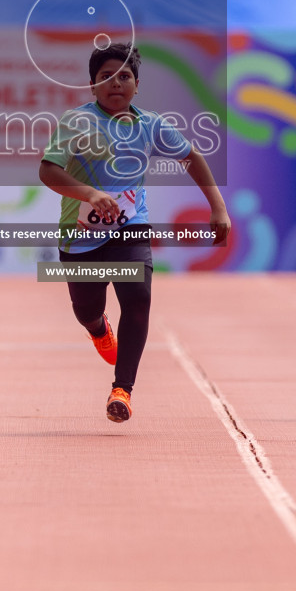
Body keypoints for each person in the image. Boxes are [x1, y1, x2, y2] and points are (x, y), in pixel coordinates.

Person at [39, 42, 230, 423]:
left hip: (130, 227)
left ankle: (122, 389)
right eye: (106, 77)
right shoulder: (77, 123)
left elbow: (192, 157)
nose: (116, 83)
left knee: (138, 296)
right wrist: (91, 194)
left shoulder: (151, 124)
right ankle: (98, 328)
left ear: (137, 85)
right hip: (79, 237)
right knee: (86, 310)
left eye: (124, 76)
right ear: (92, 86)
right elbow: (48, 171)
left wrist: (218, 206)